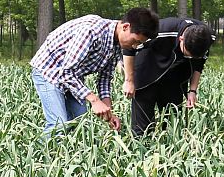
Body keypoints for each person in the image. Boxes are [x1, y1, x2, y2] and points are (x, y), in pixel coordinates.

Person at [30, 8, 159, 132]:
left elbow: (104, 79)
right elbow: (66, 72)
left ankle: (65, 154)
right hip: (49, 71)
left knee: (80, 124)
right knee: (58, 125)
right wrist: (95, 100)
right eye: (135, 41)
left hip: (73, 76)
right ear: (125, 27)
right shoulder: (91, 31)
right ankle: (43, 153)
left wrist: (108, 113)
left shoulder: (116, 44)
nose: (135, 46)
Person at [122, 17, 215, 135]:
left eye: (192, 57)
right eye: (187, 54)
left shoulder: (208, 38)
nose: (189, 58)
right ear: (181, 39)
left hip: (174, 78)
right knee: (142, 130)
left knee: (173, 127)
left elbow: (199, 64)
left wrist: (192, 90)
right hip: (146, 72)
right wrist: (129, 80)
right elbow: (129, 46)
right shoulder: (160, 31)